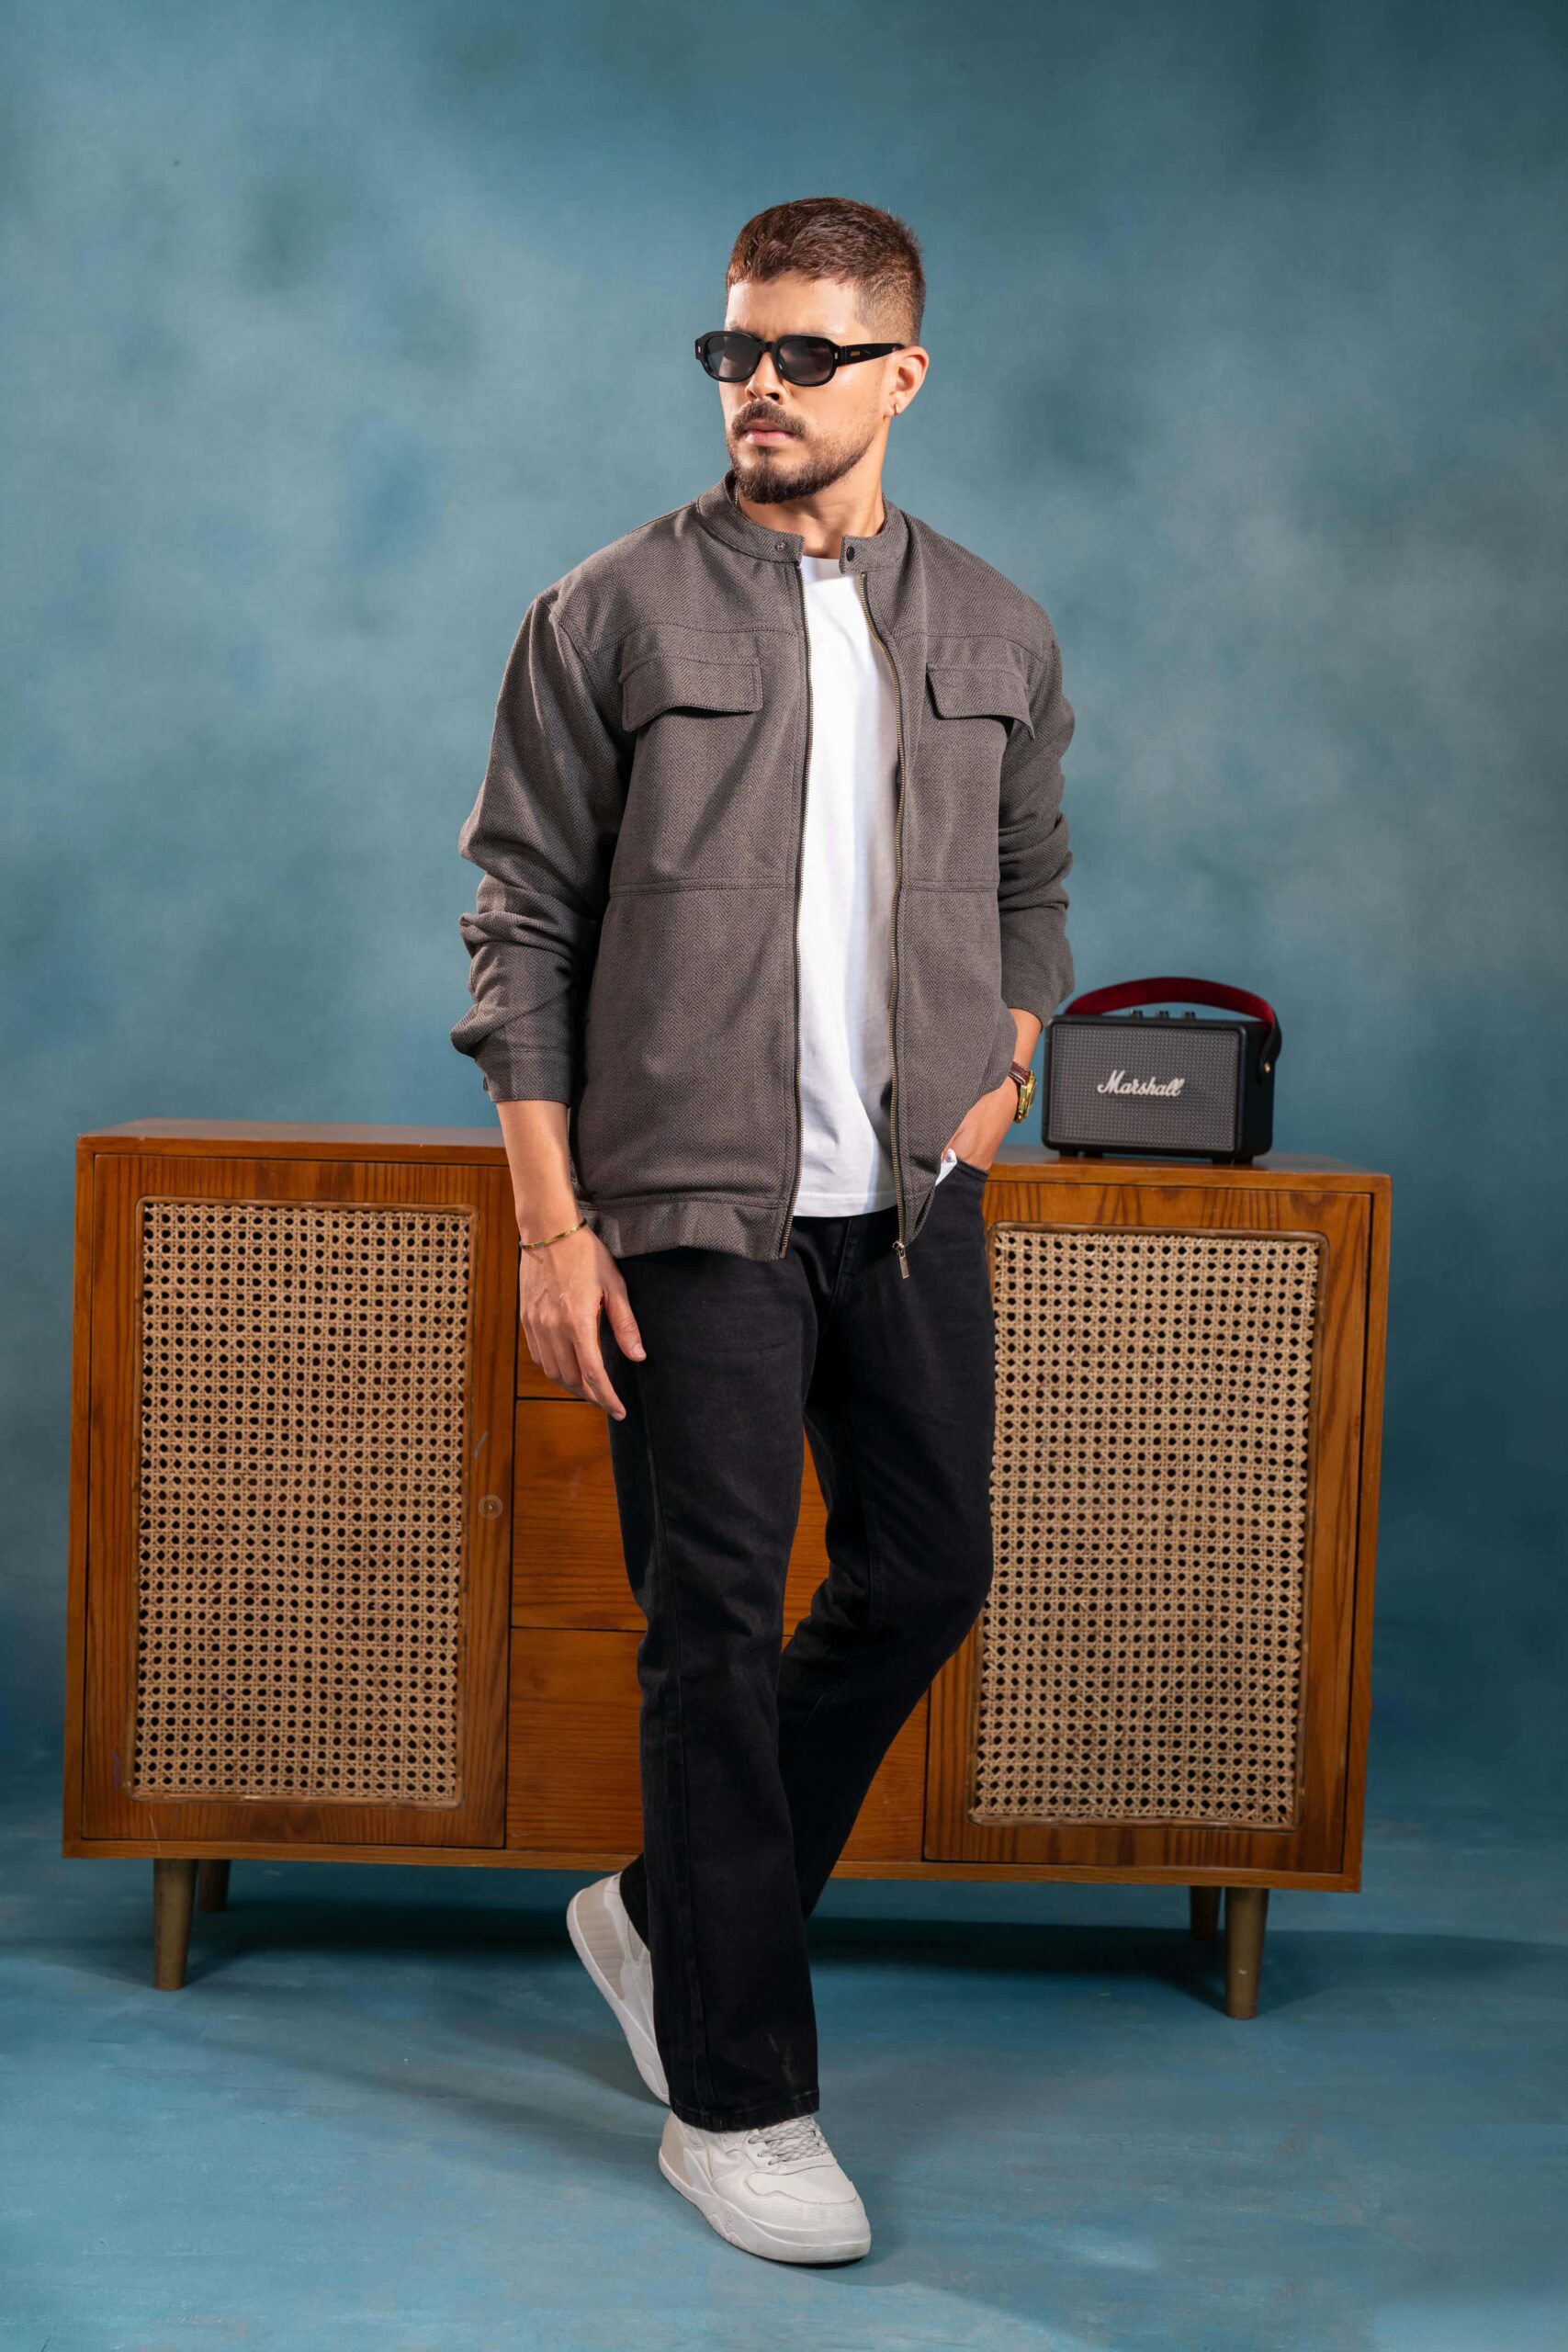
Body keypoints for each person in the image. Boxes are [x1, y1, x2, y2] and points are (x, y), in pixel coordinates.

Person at [451, 194, 1075, 2265]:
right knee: (709, 1626)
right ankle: (737, 2097)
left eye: (806, 355)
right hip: (685, 1206)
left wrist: (1003, 1059)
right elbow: (521, 923)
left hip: (907, 1199)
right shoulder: (606, 611)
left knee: (929, 1571)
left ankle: (664, 1915)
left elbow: (1033, 877)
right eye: (735, 351)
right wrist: (553, 1230)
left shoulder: (992, 623)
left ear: (903, 373)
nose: (760, 389)